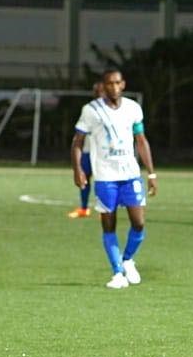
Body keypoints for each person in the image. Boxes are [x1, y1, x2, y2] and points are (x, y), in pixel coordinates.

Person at [71, 69, 157, 288]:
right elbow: (77, 142)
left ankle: (127, 259)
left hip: (130, 174)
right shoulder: (91, 111)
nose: (114, 87)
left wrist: (151, 173)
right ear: (103, 86)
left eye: (117, 83)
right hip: (105, 177)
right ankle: (118, 273)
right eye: (109, 83)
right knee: (109, 226)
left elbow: (141, 140)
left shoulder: (133, 108)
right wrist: (78, 169)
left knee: (139, 223)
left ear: (123, 84)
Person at [67, 81, 104, 218]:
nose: (97, 93)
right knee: (84, 178)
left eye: (100, 90)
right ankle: (83, 208)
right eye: (95, 91)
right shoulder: (88, 109)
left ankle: (103, 209)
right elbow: (81, 131)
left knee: (102, 180)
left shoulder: (111, 109)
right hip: (88, 151)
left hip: (102, 153)